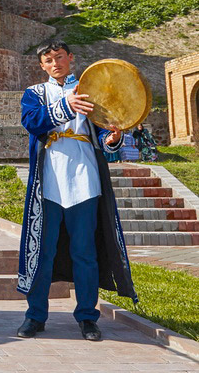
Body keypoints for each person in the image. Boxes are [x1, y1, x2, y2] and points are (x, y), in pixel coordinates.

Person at [16, 41, 136, 342]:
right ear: (42, 65)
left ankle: (87, 317)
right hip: (50, 179)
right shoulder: (35, 93)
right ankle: (35, 316)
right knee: (43, 251)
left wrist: (112, 138)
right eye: (48, 59)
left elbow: (104, 128)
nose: (55, 63)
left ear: (71, 58)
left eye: (59, 57)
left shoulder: (91, 89)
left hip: (84, 177)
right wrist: (66, 105)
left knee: (85, 251)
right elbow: (32, 122)